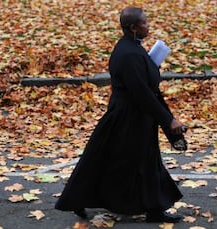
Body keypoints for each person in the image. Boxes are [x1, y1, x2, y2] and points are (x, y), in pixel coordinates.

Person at [55, 6, 186, 223]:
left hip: (133, 116)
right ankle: (80, 199)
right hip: (128, 119)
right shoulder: (129, 54)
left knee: (140, 162)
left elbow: (142, 85)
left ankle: (153, 209)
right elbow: (142, 93)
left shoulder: (131, 48)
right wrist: (168, 119)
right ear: (133, 27)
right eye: (144, 22)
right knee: (117, 162)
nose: (148, 25)